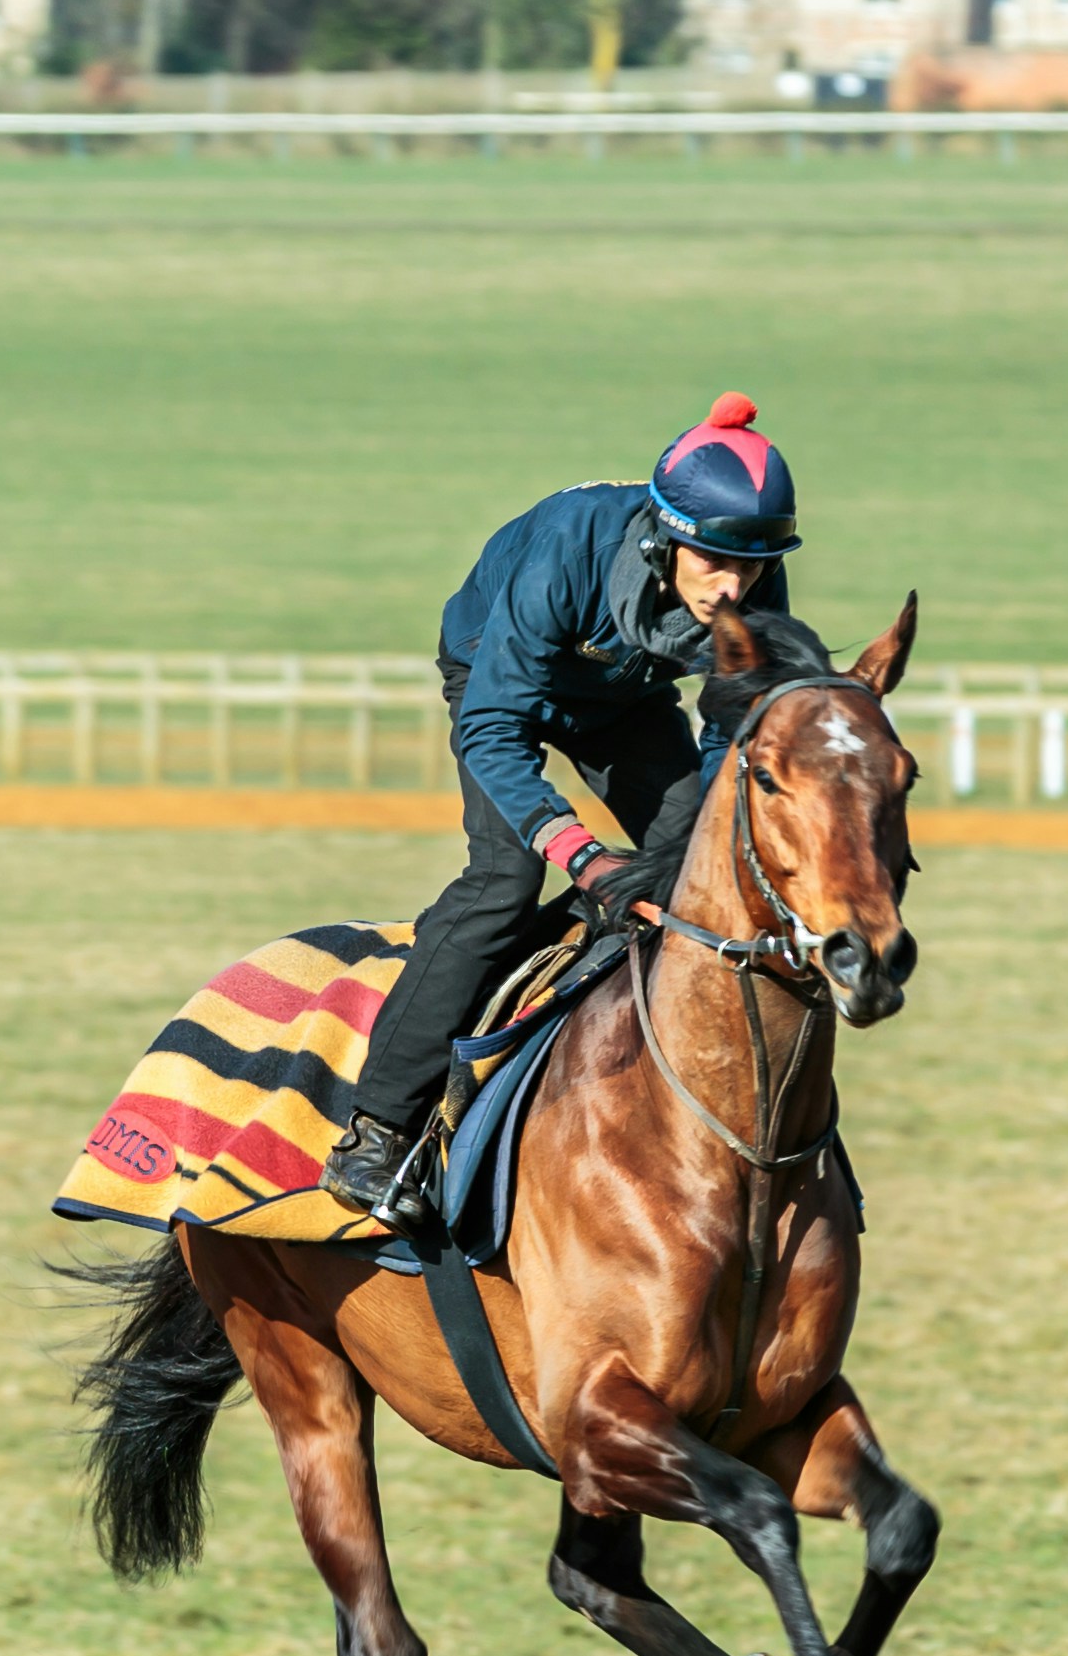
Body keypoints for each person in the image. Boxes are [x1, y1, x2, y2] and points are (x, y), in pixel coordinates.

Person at [320, 391, 826, 1227]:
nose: (732, 588)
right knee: (506, 879)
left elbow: (724, 728)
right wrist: (582, 856)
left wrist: (684, 835)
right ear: (665, 537)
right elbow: (492, 728)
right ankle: (375, 1133)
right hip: (497, 683)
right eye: (711, 562)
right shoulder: (567, 548)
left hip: (622, 699)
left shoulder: (753, 579)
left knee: (691, 859)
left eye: (751, 566)